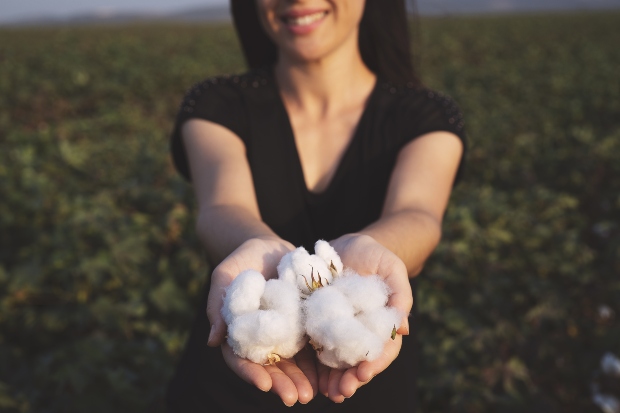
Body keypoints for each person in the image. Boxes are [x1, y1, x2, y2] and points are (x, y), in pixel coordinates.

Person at [166, 0, 466, 411]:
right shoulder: (217, 106)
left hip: (367, 384)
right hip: (224, 394)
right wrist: (259, 244)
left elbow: (418, 215)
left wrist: (373, 248)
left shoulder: (425, 117)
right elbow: (220, 206)